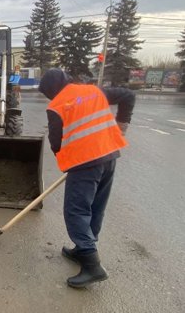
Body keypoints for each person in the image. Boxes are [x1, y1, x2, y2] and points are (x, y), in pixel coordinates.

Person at [38, 68, 135, 288]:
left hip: (84, 164)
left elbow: (56, 142)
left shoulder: (56, 106)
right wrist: (122, 126)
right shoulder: (94, 91)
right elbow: (129, 96)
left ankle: (92, 265)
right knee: (95, 207)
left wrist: (68, 162)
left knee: (76, 210)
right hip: (109, 157)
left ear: (51, 90)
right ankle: (83, 249)